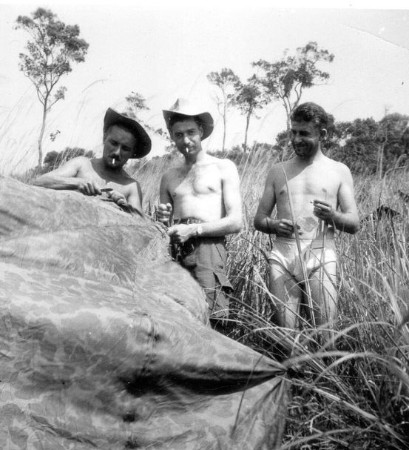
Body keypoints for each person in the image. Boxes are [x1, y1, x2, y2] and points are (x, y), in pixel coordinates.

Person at [254, 102, 359, 349]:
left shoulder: (338, 171)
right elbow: (259, 220)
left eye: (304, 133)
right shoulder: (278, 171)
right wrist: (274, 225)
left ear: (322, 134)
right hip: (283, 256)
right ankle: (291, 383)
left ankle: (324, 383)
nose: (296, 139)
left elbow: (354, 223)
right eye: (293, 132)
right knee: (287, 340)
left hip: (321, 255)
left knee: (325, 339)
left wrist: (333, 216)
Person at [156, 98, 242, 328]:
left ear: (201, 131)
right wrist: (162, 219)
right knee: (179, 319)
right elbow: (163, 228)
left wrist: (193, 230)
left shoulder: (223, 167)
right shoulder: (169, 176)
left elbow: (235, 222)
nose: (186, 140)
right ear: (172, 136)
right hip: (176, 252)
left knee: (212, 318)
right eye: (179, 134)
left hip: (209, 251)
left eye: (191, 132)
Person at [34, 108, 151, 216]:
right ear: (104, 139)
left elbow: (141, 223)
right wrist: (77, 183)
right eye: (113, 143)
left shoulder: (131, 186)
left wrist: (125, 207)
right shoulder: (82, 164)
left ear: (132, 153)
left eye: (125, 148)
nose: (117, 152)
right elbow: (39, 182)